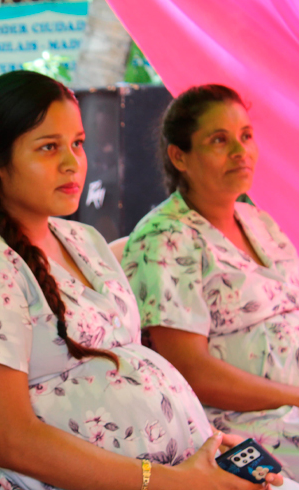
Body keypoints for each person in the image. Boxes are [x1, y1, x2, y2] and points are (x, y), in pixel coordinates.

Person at [0, 71, 286, 490]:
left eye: (77, 143)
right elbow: (12, 441)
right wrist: (166, 481)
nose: (71, 162)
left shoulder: (82, 239)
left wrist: (206, 448)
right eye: (48, 148)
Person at [123, 84, 299, 476]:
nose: (240, 152)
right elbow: (192, 371)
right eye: (219, 140)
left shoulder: (258, 220)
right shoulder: (165, 238)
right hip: (245, 425)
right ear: (179, 156)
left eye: (246, 136)